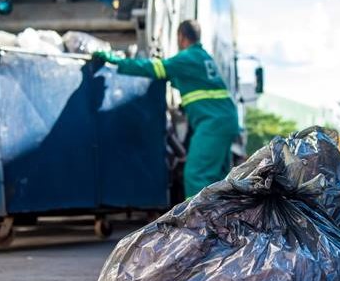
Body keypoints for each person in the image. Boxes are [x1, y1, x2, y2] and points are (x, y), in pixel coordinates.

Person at [92, 20, 239, 199]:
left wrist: (117, 62)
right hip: (227, 120)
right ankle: (224, 221)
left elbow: (152, 68)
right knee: (217, 179)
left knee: (196, 175)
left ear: (181, 37)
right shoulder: (203, 57)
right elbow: (192, 83)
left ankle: (197, 224)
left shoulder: (186, 58)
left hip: (212, 123)